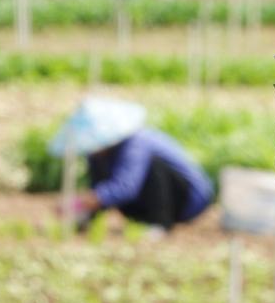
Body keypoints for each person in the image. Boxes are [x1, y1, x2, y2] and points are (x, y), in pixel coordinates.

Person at [49, 97, 214, 232]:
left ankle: (160, 225)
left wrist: (79, 203)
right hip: (142, 207)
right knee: (102, 178)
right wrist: (85, 212)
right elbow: (100, 188)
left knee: (153, 165)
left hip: (187, 200)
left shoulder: (137, 143)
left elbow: (125, 187)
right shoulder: (98, 154)